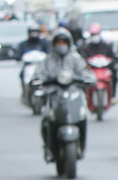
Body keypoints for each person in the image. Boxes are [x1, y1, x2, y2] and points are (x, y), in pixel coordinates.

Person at [34, 29, 94, 159]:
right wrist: (40, 80)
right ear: (54, 44)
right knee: (46, 120)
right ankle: (49, 148)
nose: (61, 45)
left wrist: (87, 79)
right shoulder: (47, 60)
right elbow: (38, 74)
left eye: (64, 42)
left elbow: (88, 74)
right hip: (53, 94)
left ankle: (81, 147)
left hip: (73, 94)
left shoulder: (76, 58)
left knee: (82, 117)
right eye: (58, 42)